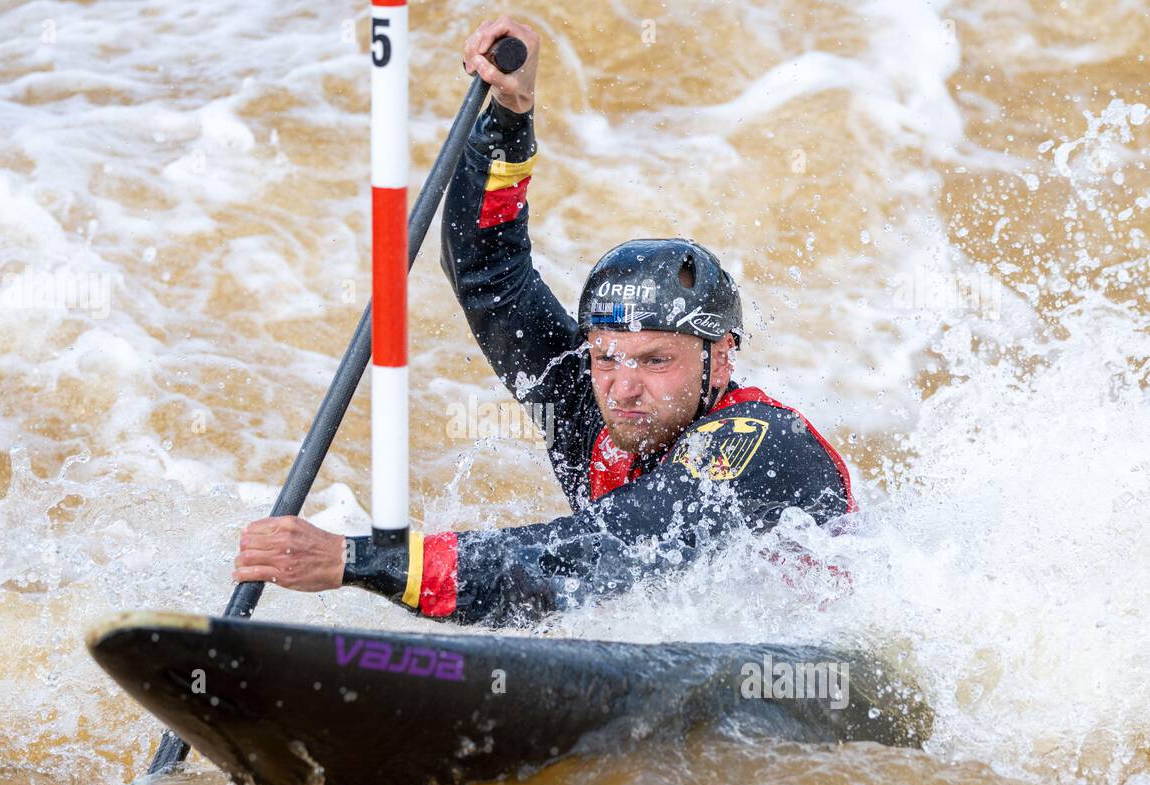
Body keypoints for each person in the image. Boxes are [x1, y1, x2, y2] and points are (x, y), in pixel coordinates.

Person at [233, 16, 856, 625]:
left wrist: (359, 560)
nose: (623, 386)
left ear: (720, 358)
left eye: (655, 360)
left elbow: (590, 558)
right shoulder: (590, 398)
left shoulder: (756, 444)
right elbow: (488, 275)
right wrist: (509, 117)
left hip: (813, 669)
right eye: (607, 355)